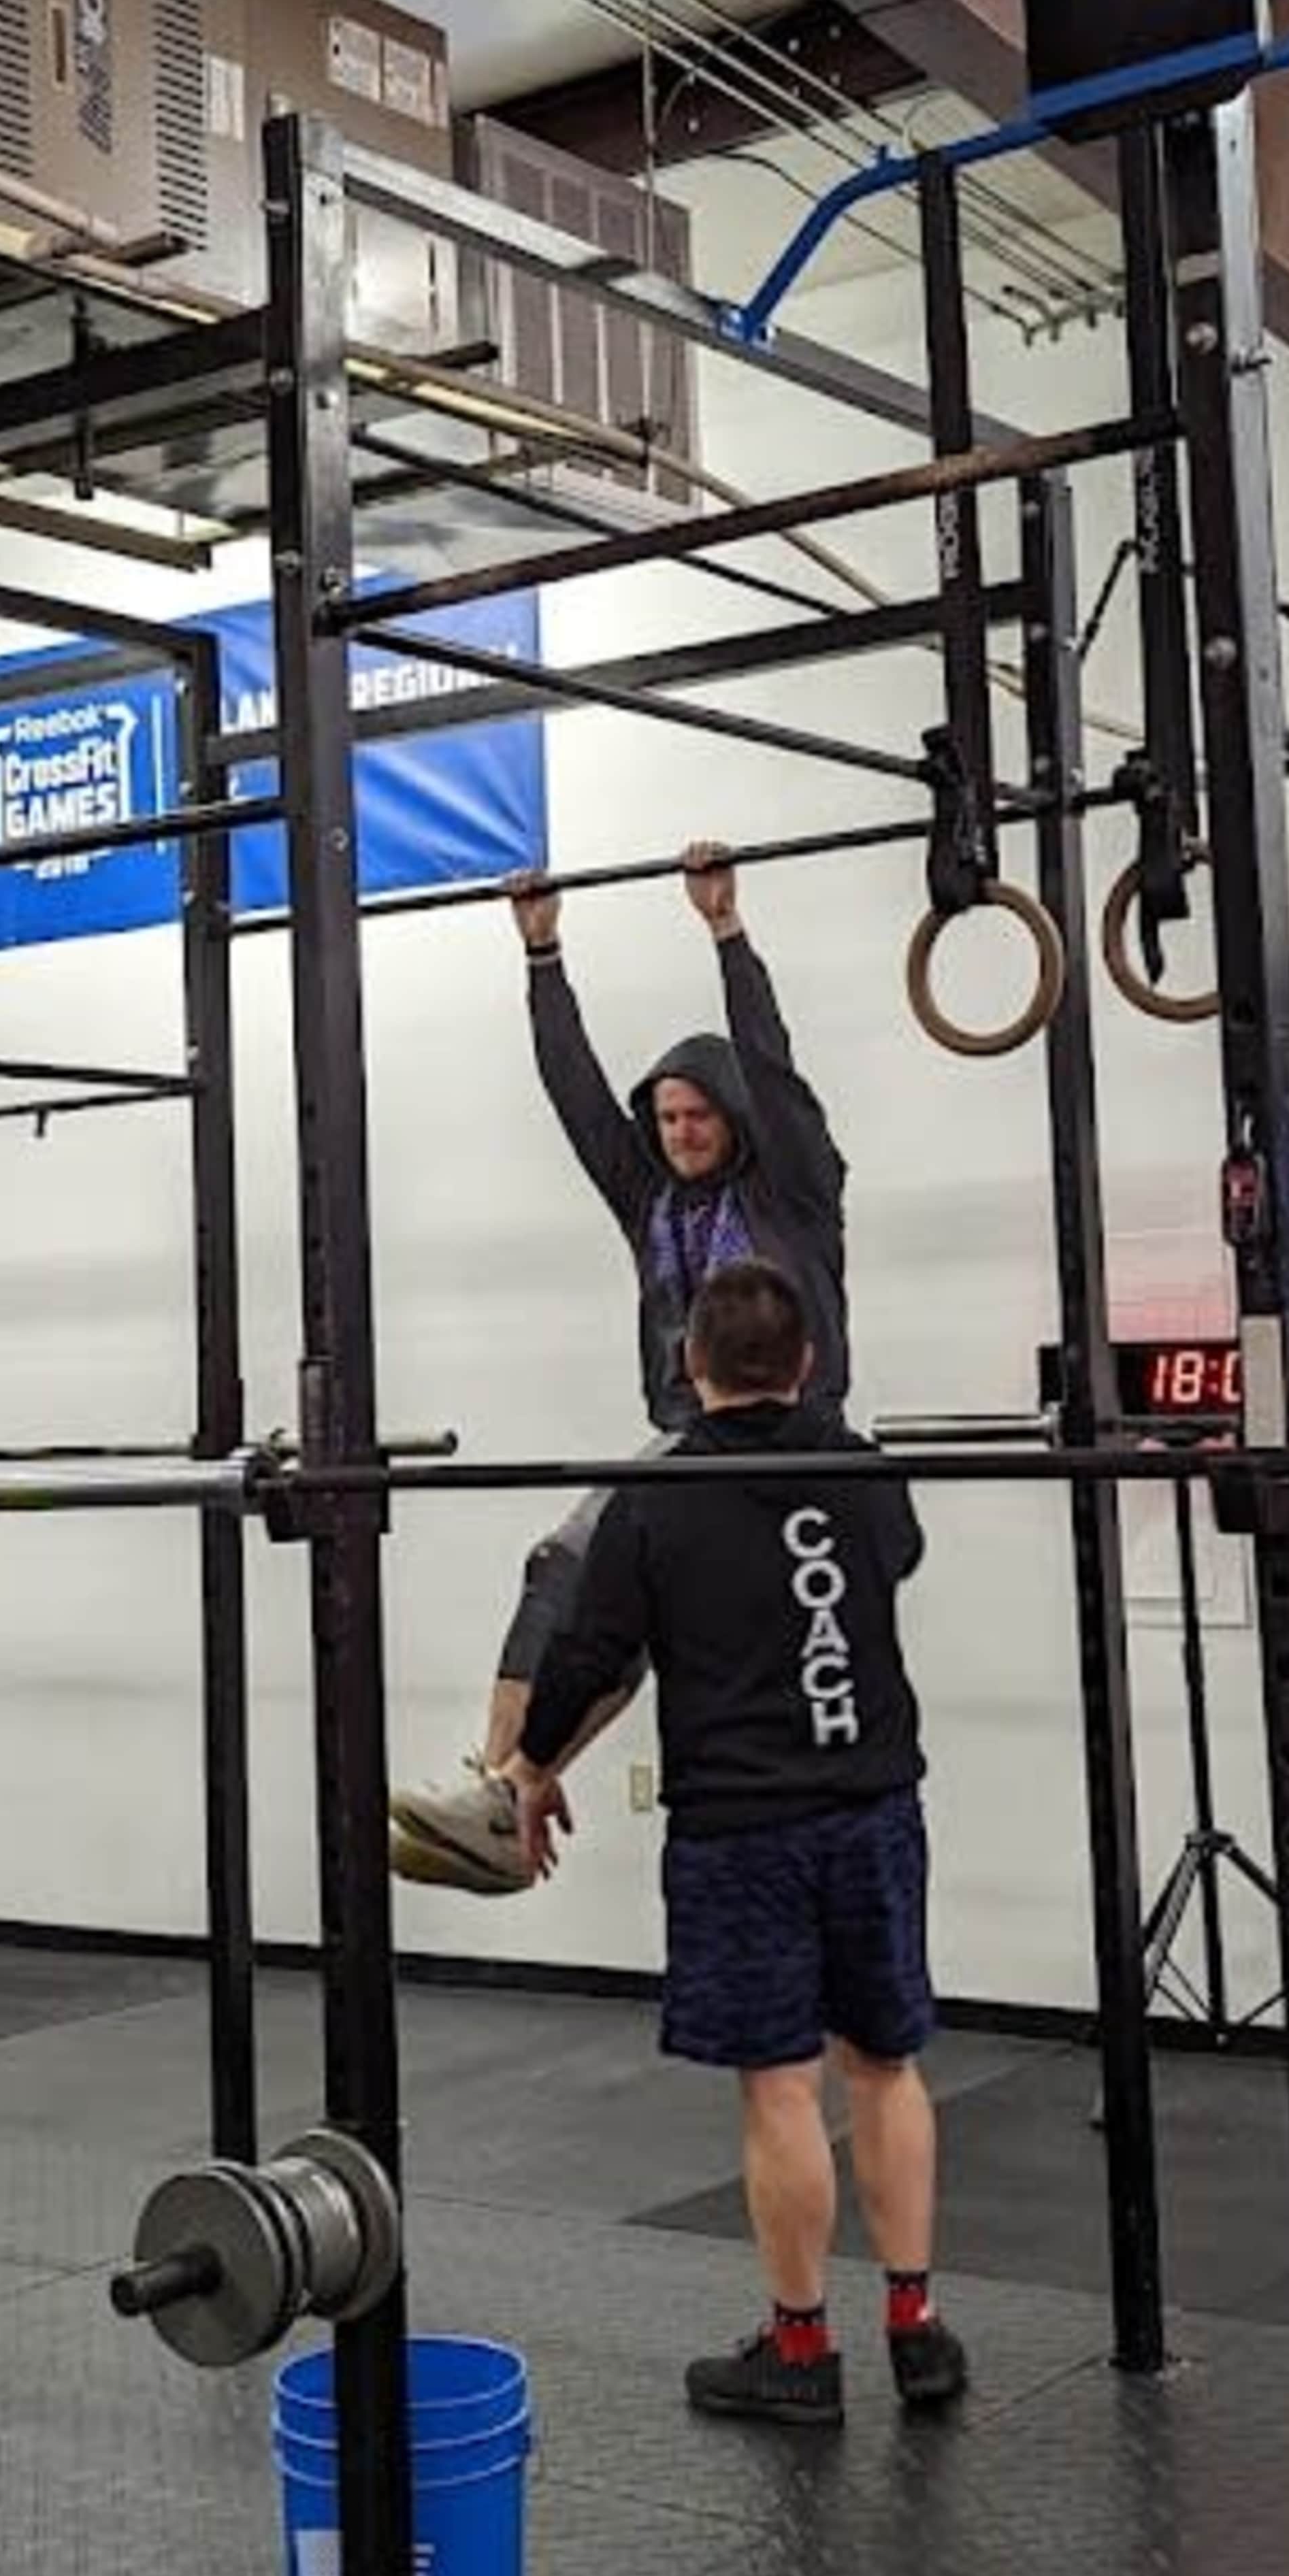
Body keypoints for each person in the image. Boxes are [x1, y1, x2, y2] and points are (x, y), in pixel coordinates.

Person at [508, 1257, 964, 2426]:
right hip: (873, 1806)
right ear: (808, 1362)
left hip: (745, 1826)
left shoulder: (653, 1494)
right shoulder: (864, 1473)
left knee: (781, 2084)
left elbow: (592, 1652)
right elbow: (895, 1562)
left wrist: (529, 1766)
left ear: (685, 1364)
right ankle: (916, 2328)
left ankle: (801, 2347)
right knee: (886, 2062)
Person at [388, 837, 849, 1894]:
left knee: (618, 1579)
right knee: (566, 1570)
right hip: (693, 1441)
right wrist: (543, 958)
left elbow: (772, 1069)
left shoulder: (794, 1195)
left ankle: (512, 1787)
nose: (680, 1132)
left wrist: (726, 930)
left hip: (790, 1438)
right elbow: (579, 1100)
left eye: (699, 1115)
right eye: (669, 1117)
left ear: (733, 1121)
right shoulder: (652, 1203)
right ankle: (498, 1787)